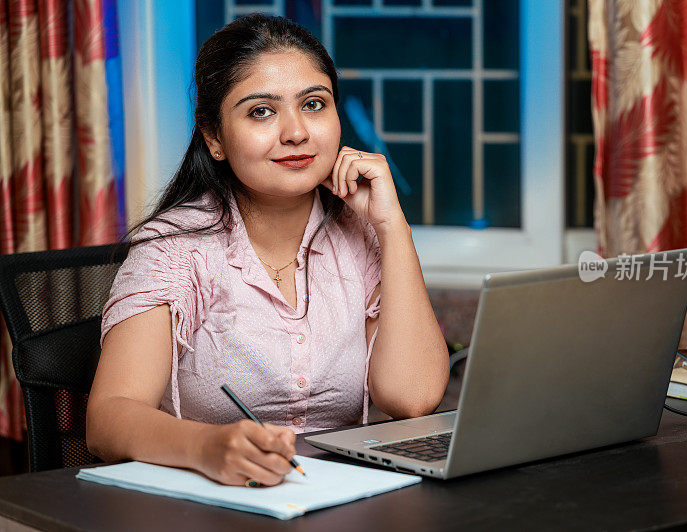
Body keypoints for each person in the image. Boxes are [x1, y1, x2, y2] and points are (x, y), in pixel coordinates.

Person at [86, 14, 450, 488]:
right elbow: (107, 418)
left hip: (344, 496)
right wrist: (206, 448)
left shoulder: (360, 236)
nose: (296, 132)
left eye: (314, 104)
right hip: (210, 500)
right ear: (214, 137)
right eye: (261, 111)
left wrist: (392, 225)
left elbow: (413, 397)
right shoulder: (175, 248)